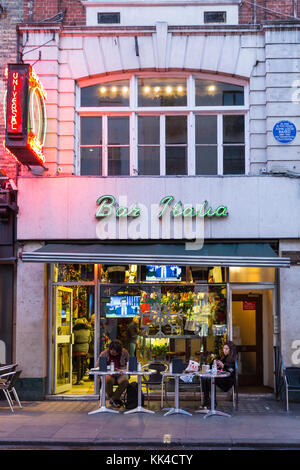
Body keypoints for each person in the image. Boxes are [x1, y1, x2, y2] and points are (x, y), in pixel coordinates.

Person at [201, 341, 236, 409]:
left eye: (226, 349)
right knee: (204, 378)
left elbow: (231, 370)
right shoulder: (223, 357)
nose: (224, 350)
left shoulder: (233, 359)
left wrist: (223, 365)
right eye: (224, 348)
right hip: (220, 378)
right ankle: (206, 400)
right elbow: (213, 366)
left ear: (231, 350)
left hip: (227, 381)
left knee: (209, 379)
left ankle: (212, 402)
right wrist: (215, 362)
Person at [95, 339, 129, 408]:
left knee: (125, 381)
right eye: (112, 352)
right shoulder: (104, 353)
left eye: (116, 352)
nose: (114, 353)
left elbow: (129, 363)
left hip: (120, 374)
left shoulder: (124, 352)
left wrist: (125, 370)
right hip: (109, 375)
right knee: (107, 379)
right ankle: (115, 399)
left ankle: (113, 399)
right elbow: (97, 367)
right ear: (109, 349)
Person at [73, 318, 91, 385]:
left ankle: (77, 378)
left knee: (76, 363)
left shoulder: (75, 331)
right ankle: (81, 376)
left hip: (76, 349)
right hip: (85, 348)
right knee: (83, 361)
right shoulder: (88, 330)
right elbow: (90, 340)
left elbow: (73, 340)